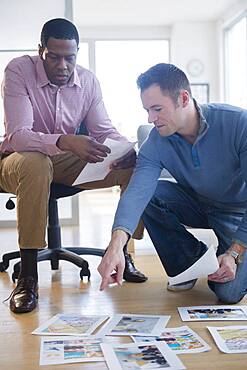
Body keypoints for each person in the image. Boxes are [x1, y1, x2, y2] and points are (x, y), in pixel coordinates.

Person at [0, 18, 147, 314]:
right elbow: (19, 137)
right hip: (16, 161)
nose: (63, 66)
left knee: (135, 166)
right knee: (35, 161)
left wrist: (127, 149)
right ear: (40, 50)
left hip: (64, 161)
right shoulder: (18, 70)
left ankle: (123, 253)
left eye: (70, 57)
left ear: (78, 53)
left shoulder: (88, 81)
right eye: (54, 57)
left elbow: (104, 130)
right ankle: (28, 275)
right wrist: (66, 141)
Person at [98, 62, 247, 304]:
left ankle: (227, 254)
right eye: (147, 110)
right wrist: (115, 245)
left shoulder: (238, 123)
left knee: (227, 293)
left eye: (157, 109)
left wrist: (233, 252)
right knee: (151, 195)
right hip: (198, 203)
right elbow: (137, 193)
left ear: (184, 98)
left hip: (238, 213)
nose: (150, 118)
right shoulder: (156, 142)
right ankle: (189, 263)